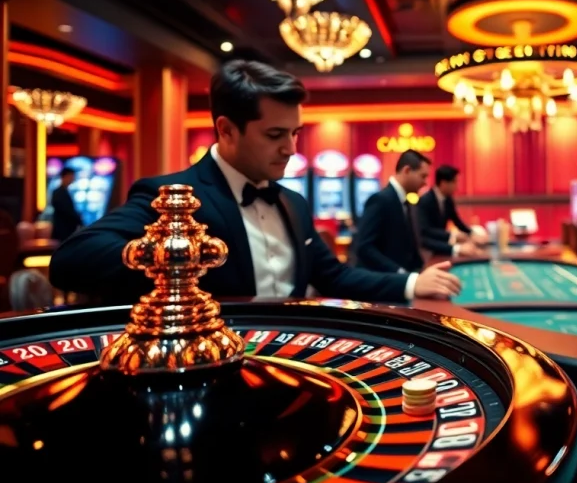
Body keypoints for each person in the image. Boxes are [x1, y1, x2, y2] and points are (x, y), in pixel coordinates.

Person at [48, 60, 461, 305]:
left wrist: (410, 282)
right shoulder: (172, 197)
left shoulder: (293, 204)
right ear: (226, 130)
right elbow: (70, 262)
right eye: (275, 135)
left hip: (292, 362)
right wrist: (172, 254)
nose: (291, 149)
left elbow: (334, 275)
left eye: (294, 133)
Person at [353, 151, 470, 273]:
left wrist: (423, 271)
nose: (425, 182)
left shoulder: (405, 201)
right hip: (384, 282)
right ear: (407, 170)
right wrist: (400, 272)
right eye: (423, 176)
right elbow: (364, 247)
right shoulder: (380, 200)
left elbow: (411, 246)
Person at [418, 165, 487, 247]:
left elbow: (457, 221)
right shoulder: (425, 200)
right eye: (455, 182)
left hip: (443, 245)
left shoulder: (448, 199)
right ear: (443, 183)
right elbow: (426, 230)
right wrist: (453, 235)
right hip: (430, 247)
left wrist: (472, 234)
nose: (457, 187)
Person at [50, 167, 83, 242]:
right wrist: (78, 219)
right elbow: (66, 210)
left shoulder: (65, 191)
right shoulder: (58, 192)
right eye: (71, 177)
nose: (73, 179)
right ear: (65, 177)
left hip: (67, 229)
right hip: (62, 230)